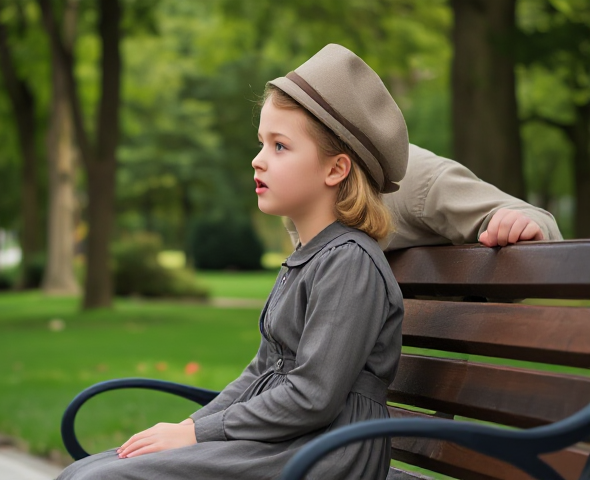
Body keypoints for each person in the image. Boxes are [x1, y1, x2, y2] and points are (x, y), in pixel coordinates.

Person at [58, 44, 408, 480]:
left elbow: (314, 397)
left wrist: (200, 435)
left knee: (102, 479)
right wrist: (189, 427)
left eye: (280, 146)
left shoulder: (349, 262)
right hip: (293, 440)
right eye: (262, 143)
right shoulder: (312, 256)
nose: (258, 160)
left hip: (326, 453)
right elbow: (262, 371)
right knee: (86, 471)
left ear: (335, 169)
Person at [284, 145, 563, 251]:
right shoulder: (300, 204)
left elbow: (535, 219)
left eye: (281, 145)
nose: (258, 160)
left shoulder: (413, 180)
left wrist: (522, 224)